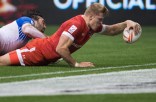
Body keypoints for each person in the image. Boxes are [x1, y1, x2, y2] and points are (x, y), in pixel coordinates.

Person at [0, 3, 141, 67]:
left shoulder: (92, 26)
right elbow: (61, 48)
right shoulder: (77, 24)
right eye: (100, 19)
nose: (101, 23)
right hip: (37, 52)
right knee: (1, 62)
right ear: (91, 17)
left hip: (47, 58)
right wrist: (76, 64)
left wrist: (127, 23)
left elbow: (110, 30)